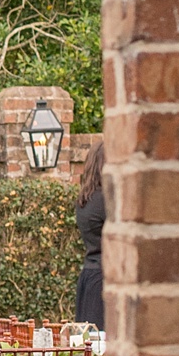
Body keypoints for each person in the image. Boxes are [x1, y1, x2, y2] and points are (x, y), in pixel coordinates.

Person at [75, 140, 105, 333]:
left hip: (90, 276)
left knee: (89, 347)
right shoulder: (107, 201)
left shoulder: (85, 199)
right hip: (105, 279)